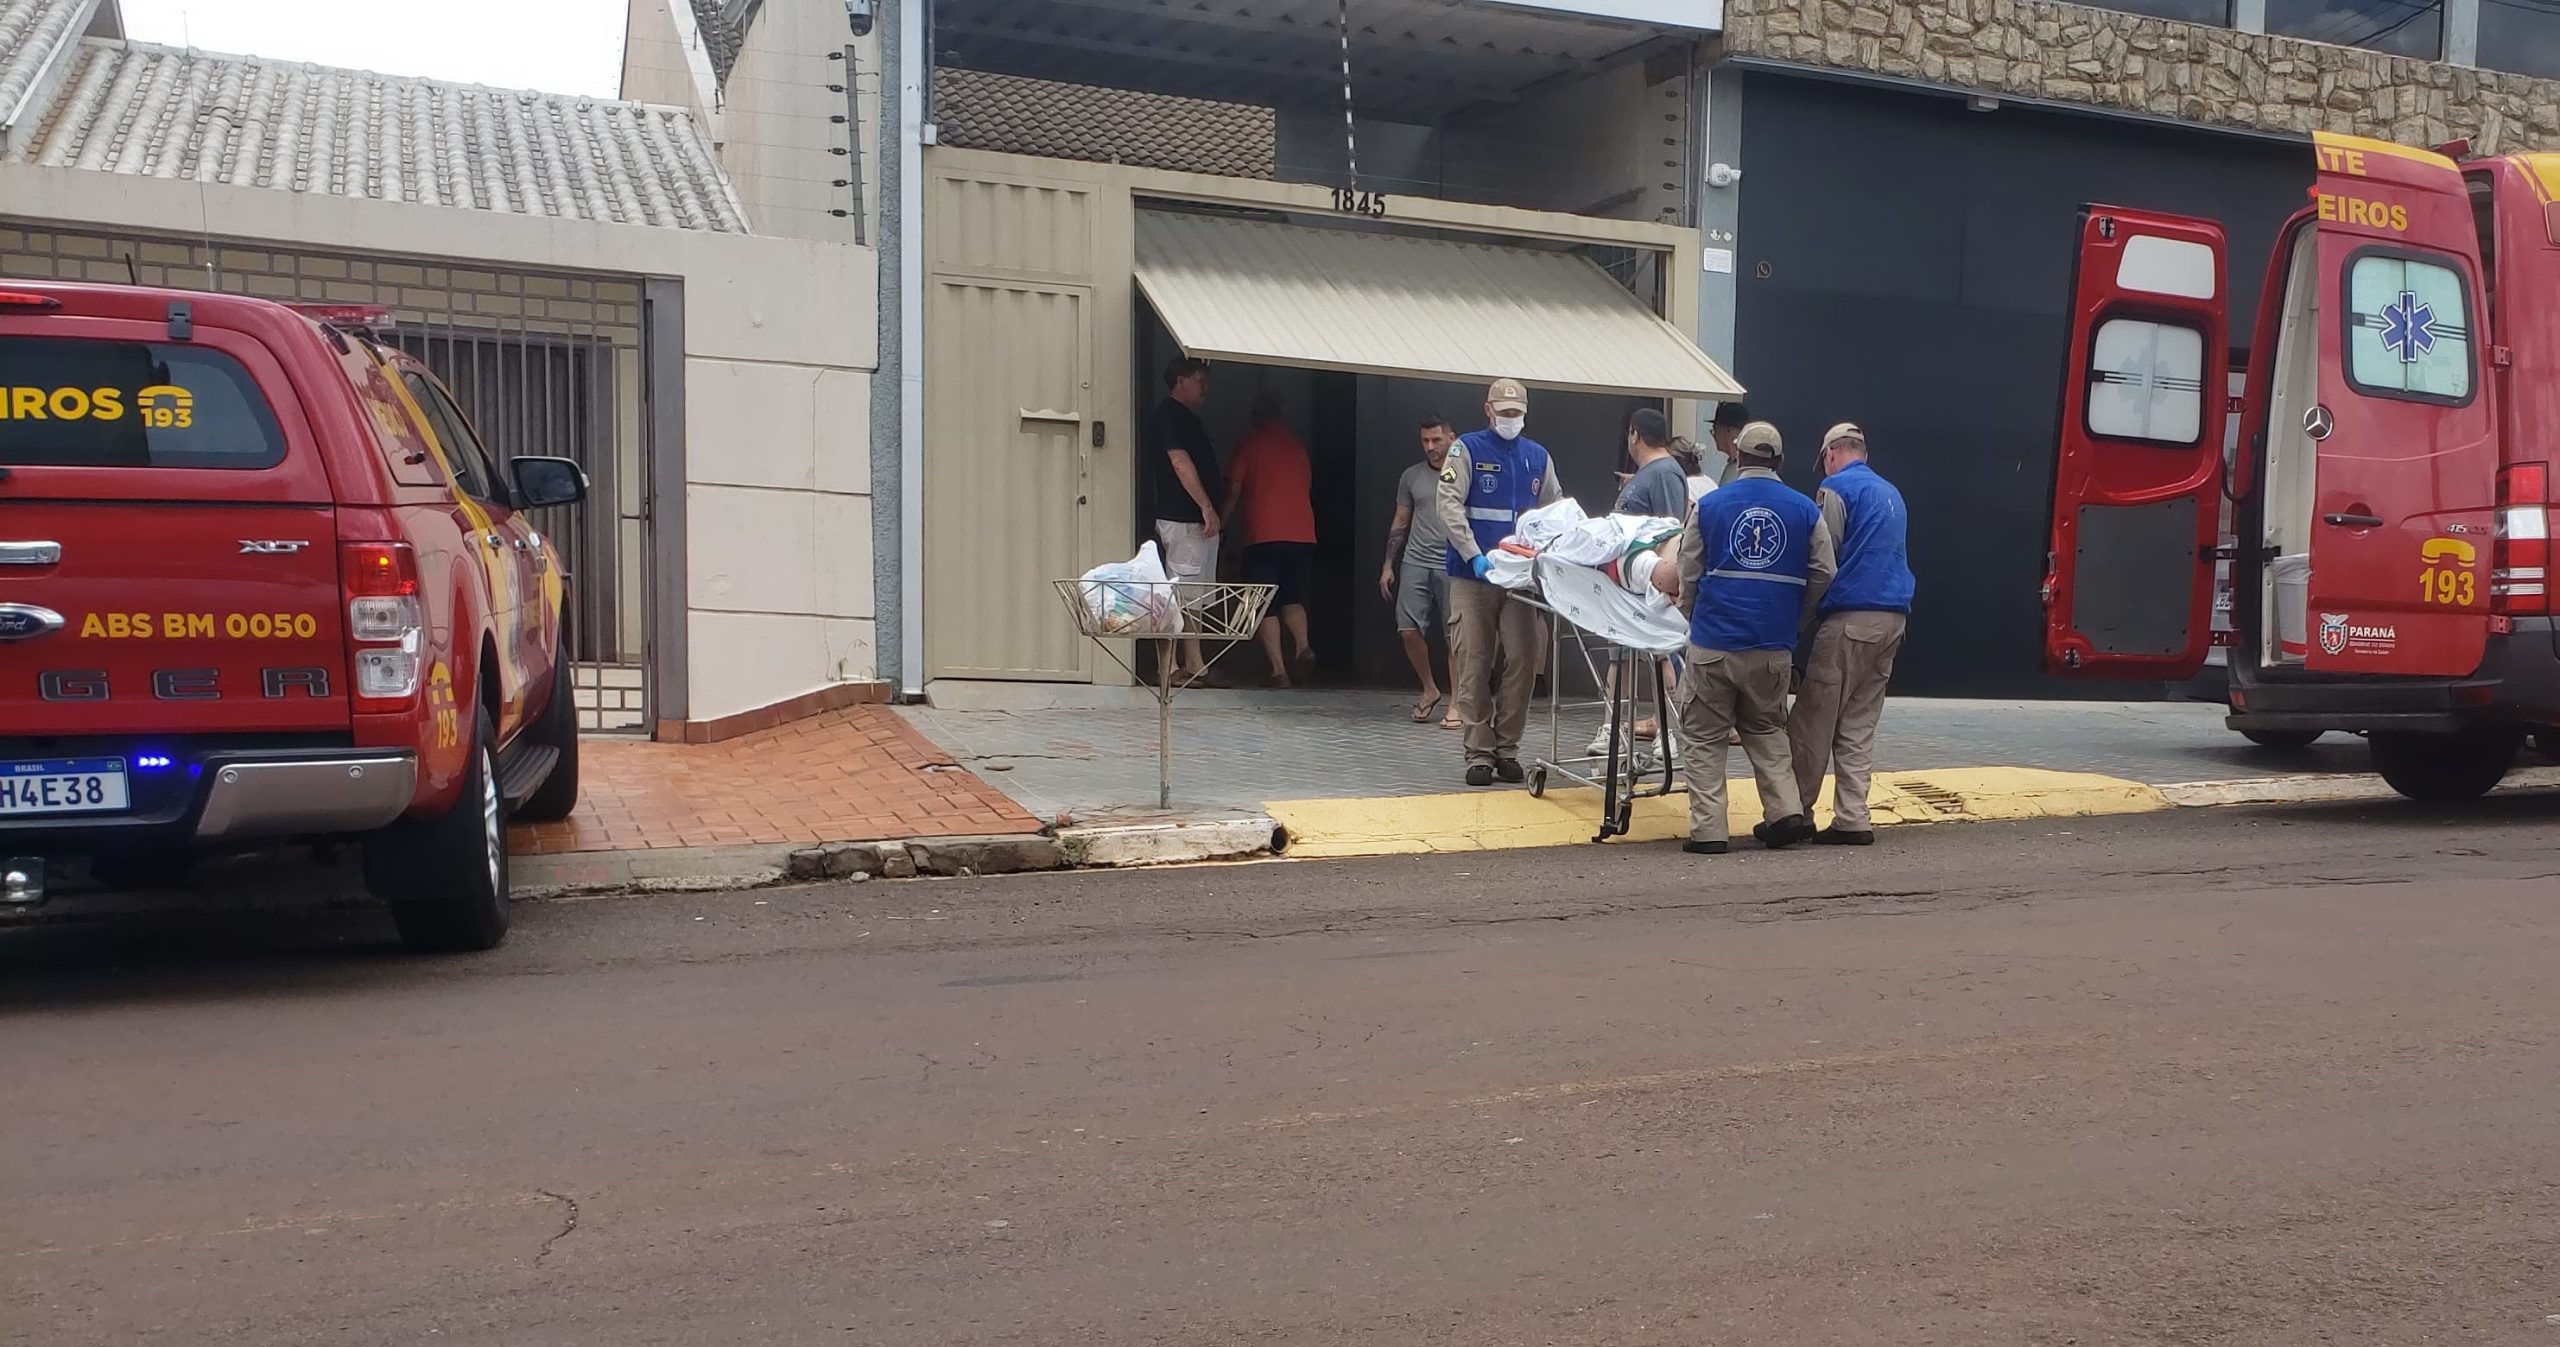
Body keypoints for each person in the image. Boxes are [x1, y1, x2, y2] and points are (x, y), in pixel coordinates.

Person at [1675, 420, 1835, 854]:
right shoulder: (1805, 509)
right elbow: (1824, 573)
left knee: (1705, 737)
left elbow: (1688, 569)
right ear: (1779, 461)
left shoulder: (1709, 506)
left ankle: (1709, 831)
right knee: (1766, 729)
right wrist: (1795, 619)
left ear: (1738, 457)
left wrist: (1693, 613)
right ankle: (1785, 813)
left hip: (1714, 643)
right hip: (1772, 647)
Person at [1788, 422, 1915, 846]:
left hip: (1850, 618)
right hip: (1893, 619)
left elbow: (1824, 558)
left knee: (1811, 721)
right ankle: (1852, 817)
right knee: (1858, 721)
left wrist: (1800, 620)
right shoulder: (1892, 492)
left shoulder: (1834, 489)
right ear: (1864, 453)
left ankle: (1796, 813)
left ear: (1829, 455)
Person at [1437, 377, 1562, 788]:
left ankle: (1508, 748)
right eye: (1504, 412)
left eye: (1517, 414)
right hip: (1474, 575)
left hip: (1520, 579)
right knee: (1473, 660)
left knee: (1524, 659)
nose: (1511, 419)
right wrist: (1473, 554)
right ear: (1488, 410)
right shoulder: (1467, 449)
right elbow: (1449, 504)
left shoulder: (1538, 457)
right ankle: (1478, 753)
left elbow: (1554, 513)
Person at [1587, 409, 1688, 760]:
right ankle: (1611, 728)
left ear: (1635, 435)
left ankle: (1666, 732)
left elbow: (1671, 532)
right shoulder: (1652, 474)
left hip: (1646, 585)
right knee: (1620, 656)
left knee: (1659, 656)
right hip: (1626, 586)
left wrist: (1661, 584)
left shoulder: (1664, 473)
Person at [1225, 393, 1320, 687]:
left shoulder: (1249, 443)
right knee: (1292, 595)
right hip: (1302, 533)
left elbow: (1234, 489)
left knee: (1264, 602)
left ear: (1256, 416)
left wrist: (1220, 523)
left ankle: (1279, 670)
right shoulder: (1297, 447)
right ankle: (1303, 645)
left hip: (1263, 534)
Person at [1381, 416, 1461, 723]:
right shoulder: (1411, 476)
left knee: (1456, 636)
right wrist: (1388, 564)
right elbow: (1400, 521)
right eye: (1425, 441)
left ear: (1451, 438)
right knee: (1407, 629)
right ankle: (1429, 688)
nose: (1431, 447)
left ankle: (1457, 702)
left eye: (1436, 440)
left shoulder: (1464, 474)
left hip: (1453, 563)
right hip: (1415, 560)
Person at [1705, 401, 1749, 488]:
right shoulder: (1735, 465)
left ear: (1728, 430)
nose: (1713, 434)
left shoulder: (1745, 467)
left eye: (1715, 429)